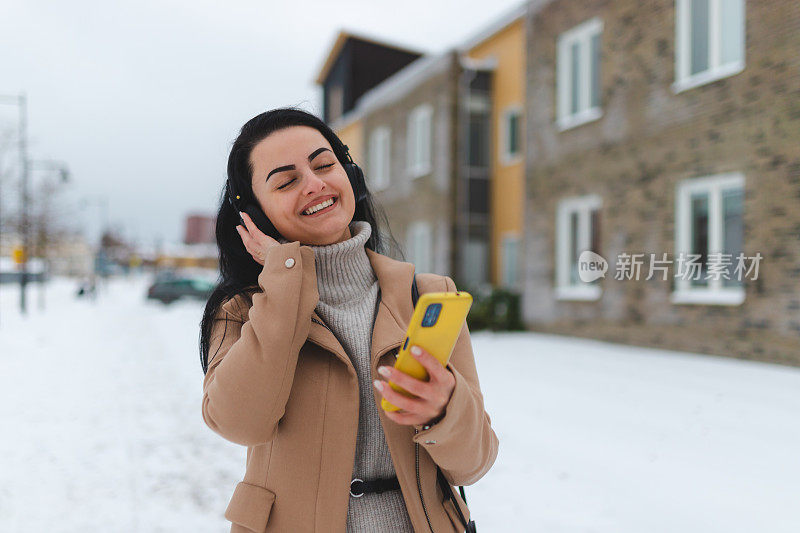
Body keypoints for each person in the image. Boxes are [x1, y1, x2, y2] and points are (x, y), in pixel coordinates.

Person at [199, 107, 498, 532]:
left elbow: (474, 463)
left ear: (350, 176)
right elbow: (238, 421)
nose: (315, 184)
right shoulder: (242, 312)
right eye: (286, 181)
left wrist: (445, 409)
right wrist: (283, 281)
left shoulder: (429, 297)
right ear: (254, 215)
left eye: (324, 165)